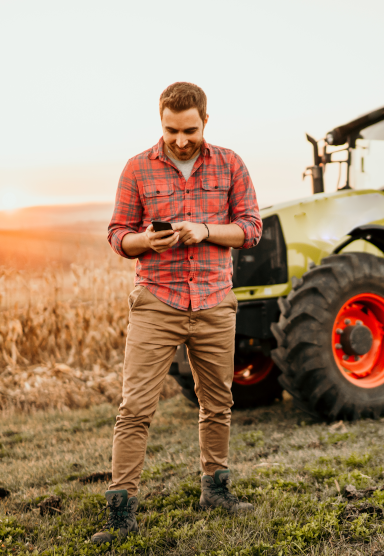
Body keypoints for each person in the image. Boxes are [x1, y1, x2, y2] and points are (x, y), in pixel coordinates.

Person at [93, 82, 262, 546]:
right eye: (171, 130)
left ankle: (216, 492)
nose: (180, 139)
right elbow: (117, 235)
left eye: (189, 130)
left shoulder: (231, 163)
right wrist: (146, 241)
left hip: (214, 301)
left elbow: (251, 229)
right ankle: (121, 511)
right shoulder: (137, 168)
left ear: (206, 120)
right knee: (135, 408)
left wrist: (204, 229)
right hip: (157, 302)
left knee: (218, 403)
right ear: (161, 121)